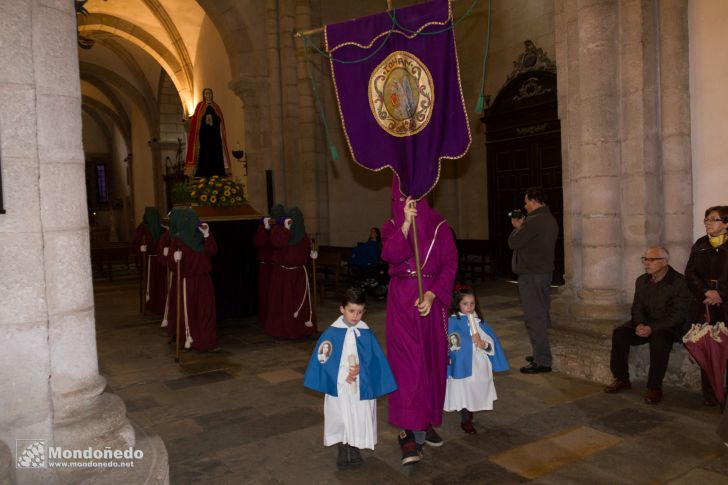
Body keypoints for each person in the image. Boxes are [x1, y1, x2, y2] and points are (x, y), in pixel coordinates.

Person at [381, 177, 458, 465]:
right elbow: (389, 255)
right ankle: (408, 433)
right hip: (402, 302)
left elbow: (450, 262)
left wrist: (433, 294)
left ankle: (425, 421)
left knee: (430, 363)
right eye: (400, 201)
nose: (406, 204)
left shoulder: (439, 225)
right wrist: (403, 225)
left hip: (429, 302)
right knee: (407, 367)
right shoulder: (391, 225)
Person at [303, 288, 397, 468]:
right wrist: (344, 373)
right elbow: (324, 359)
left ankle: (354, 446)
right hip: (341, 385)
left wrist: (362, 369)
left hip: (361, 384)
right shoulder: (332, 333)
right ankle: (342, 446)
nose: (355, 316)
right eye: (351, 311)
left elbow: (375, 360)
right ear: (342, 309)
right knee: (341, 416)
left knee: (359, 415)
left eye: (360, 312)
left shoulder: (366, 332)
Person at [603, 246, 692, 404]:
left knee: (659, 339)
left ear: (664, 262)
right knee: (620, 333)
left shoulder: (679, 282)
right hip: (645, 324)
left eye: (651, 259)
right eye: (645, 259)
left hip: (669, 327)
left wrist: (652, 328)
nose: (646, 263)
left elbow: (678, 315)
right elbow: (637, 307)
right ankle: (621, 378)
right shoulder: (642, 280)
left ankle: (654, 387)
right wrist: (639, 324)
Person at [507, 187, 558, 374]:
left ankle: (542, 360)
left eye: (527, 201)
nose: (525, 205)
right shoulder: (550, 218)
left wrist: (517, 227)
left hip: (531, 275)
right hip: (543, 274)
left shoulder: (534, 220)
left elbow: (513, 243)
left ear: (535, 201)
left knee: (534, 318)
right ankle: (540, 352)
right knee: (542, 315)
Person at [445, 285, 505, 434]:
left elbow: (491, 344)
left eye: (472, 303)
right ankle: (466, 418)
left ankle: (470, 411)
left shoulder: (478, 321)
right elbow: (452, 343)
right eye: (465, 304)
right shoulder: (452, 322)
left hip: (478, 365)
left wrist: (483, 343)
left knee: (475, 390)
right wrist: (467, 342)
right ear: (457, 304)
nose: (469, 307)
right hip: (461, 366)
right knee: (463, 391)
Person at [685, 206, 728, 406]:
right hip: (705, 305)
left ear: (726, 224)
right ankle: (710, 393)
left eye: (713, 219)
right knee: (708, 347)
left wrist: (721, 294)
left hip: (725, 304)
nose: (708, 223)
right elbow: (690, 273)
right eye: (706, 219)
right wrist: (706, 292)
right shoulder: (701, 244)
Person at [167, 208, 219, 351]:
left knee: (205, 312)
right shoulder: (178, 240)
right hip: (187, 282)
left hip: (203, 281)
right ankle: (190, 338)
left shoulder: (201, 236)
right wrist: (174, 258)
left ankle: (206, 339)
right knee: (190, 312)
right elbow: (172, 266)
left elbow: (213, 251)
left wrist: (207, 234)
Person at [265, 206, 317, 338]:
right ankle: (284, 330)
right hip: (284, 274)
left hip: (299, 274)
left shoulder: (302, 234)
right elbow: (277, 243)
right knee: (285, 302)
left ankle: (303, 329)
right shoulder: (280, 231)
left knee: (300, 303)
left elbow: (305, 248)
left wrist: (311, 255)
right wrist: (286, 230)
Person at [184, 88, 231, 178]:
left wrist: (213, 120)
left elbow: (220, 121)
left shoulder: (216, 107)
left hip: (215, 136)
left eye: (209, 93)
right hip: (204, 137)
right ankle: (204, 173)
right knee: (205, 155)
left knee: (216, 155)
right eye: (206, 94)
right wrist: (205, 120)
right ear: (204, 96)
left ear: (212, 95)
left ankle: (218, 173)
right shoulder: (200, 107)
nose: (208, 95)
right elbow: (197, 123)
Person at [253, 204, 286, 326]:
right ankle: (267, 318)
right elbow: (258, 242)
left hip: (279, 266)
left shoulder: (285, 225)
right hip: (266, 266)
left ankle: (279, 318)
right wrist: (266, 230)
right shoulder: (264, 225)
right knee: (266, 293)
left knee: (279, 295)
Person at [132, 207, 167, 314]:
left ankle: (163, 305)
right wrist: (140, 248)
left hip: (162, 261)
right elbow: (136, 242)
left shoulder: (163, 227)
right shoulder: (142, 228)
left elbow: (168, 239)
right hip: (150, 261)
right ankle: (152, 305)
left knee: (162, 284)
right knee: (152, 284)